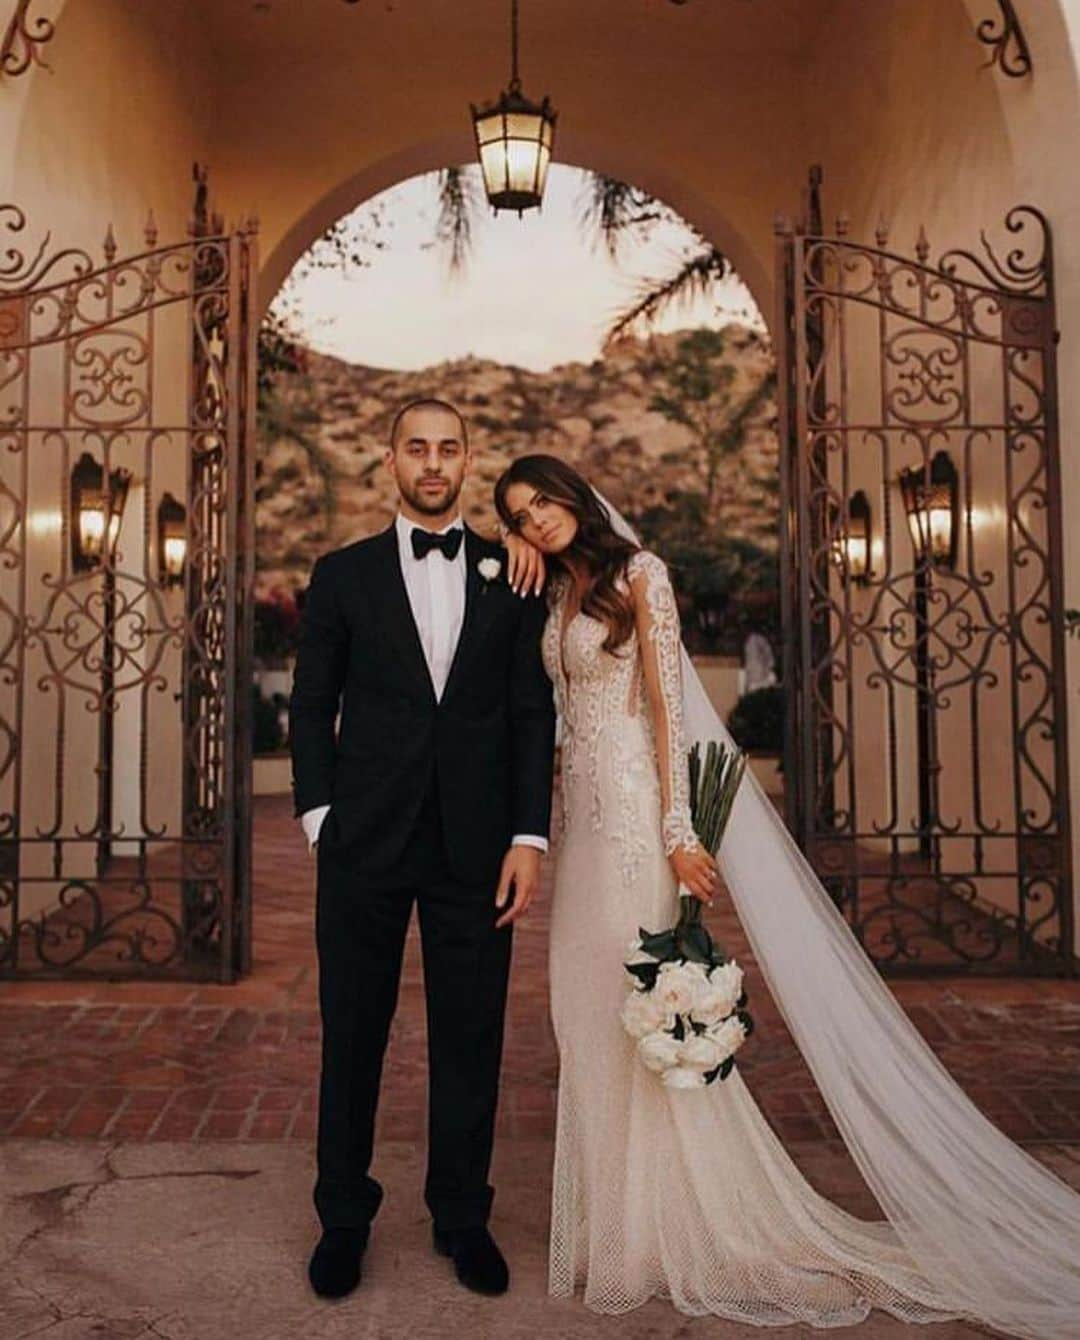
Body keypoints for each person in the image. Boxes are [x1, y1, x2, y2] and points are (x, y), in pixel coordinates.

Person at [494, 452, 1080, 1339]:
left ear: (576, 496)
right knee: (584, 1018)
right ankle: (623, 1222)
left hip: (636, 827)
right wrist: (496, 534)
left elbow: (667, 709)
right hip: (578, 831)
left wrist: (681, 830)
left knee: (637, 1016)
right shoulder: (550, 589)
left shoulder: (640, 574)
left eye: (543, 501)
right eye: (519, 512)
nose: (536, 520)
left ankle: (678, 1224)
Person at [289, 401, 555, 1300]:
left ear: (468, 460)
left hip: (476, 847)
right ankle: (343, 1218)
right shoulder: (341, 576)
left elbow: (530, 713)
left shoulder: (514, 574)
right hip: (363, 841)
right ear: (390, 459)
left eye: (448, 449)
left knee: (471, 1033)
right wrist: (323, 820)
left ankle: (462, 1217)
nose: (433, 463)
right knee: (353, 1032)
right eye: (417, 448)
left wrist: (527, 835)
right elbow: (310, 707)